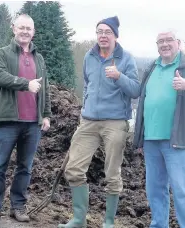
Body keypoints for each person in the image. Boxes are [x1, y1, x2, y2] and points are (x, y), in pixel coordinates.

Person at [58, 16, 140, 228]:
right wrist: (85, 108)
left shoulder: (127, 59)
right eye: (100, 32)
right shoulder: (89, 56)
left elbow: (135, 90)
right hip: (89, 121)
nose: (103, 36)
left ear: (115, 36)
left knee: (112, 173)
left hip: (115, 122)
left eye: (107, 32)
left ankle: (109, 222)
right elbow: (87, 84)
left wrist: (119, 76)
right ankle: (78, 219)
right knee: (74, 168)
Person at [133, 31, 185, 228]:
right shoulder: (152, 67)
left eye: (169, 40)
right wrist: (140, 138)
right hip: (151, 140)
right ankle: (159, 225)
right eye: (161, 41)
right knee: (155, 189)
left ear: (178, 43)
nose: (165, 44)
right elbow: (143, 102)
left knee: (182, 190)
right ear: (157, 45)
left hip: (177, 140)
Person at [0, 14, 51, 224]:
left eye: (28, 29)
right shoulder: (1, 54)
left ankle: (18, 206)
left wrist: (46, 114)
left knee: (25, 167)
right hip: (7, 121)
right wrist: (26, 84)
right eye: (21, 27)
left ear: (33, 32)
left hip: (32, 123)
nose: (25, 32)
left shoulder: (39, 58)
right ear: (14, 29)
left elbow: (45, 89)